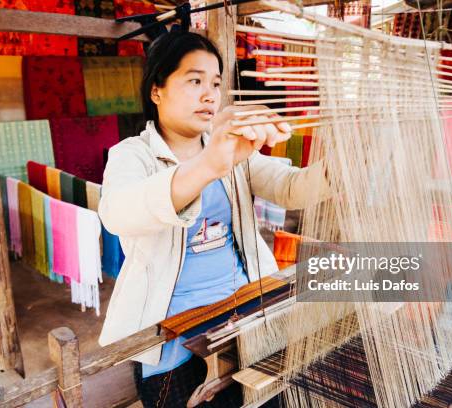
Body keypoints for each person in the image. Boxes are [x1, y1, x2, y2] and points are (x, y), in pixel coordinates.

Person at [98, 31, 331, 407]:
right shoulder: (133, 155)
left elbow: (290, 186)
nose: (209, 94)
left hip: (246, 318)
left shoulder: (228, 147)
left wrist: (342, 166)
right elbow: (119, 215)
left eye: (216, 83)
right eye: (194, 81)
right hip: (173, 337)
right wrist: (208, 166)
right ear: (156, 90)